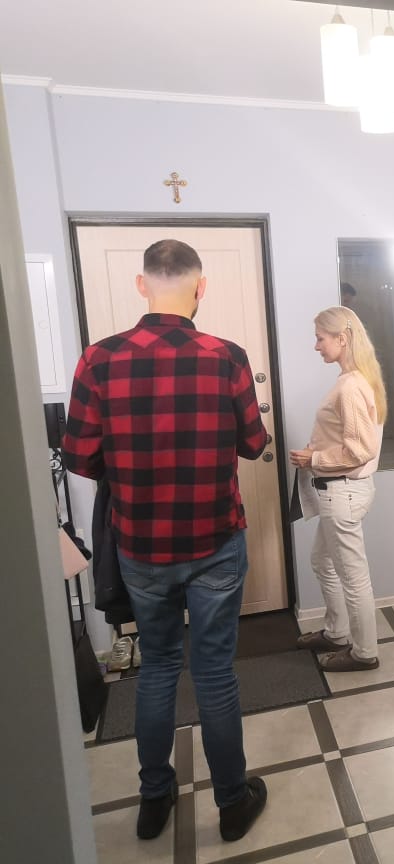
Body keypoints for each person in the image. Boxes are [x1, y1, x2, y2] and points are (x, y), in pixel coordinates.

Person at [62, 239, 268, 841]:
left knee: (156, 668)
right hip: (215, 542)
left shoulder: (98, 359)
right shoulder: (226, 356)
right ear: (201, 288)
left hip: (141, 546)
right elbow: (254, 444)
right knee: (214, 674)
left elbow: (78, 457)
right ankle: (231, 805)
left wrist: (131, 469)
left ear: (141, 285)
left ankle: (154, 800)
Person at [290, 306, 386, 672]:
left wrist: (314, 458)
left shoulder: (350, 386)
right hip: (342, 491)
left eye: (320, 338)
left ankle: (364, 653)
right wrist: (317, 455)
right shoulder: (354, 379)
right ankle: (336, 632)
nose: (316, 346)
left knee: (353, 576)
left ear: (341, 339)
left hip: (342, 493)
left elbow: (361, 450)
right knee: (322, 561)